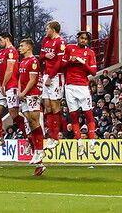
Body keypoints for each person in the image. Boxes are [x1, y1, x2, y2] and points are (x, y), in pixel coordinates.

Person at [63, 31, 98, 156]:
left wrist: (84, 63)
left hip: (83, 86)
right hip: (69, 86)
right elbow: (62, 64)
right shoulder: (69, 48)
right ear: (77, 38)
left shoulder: (90, 53)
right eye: (81, 38)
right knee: (73, 115)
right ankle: (79, 144)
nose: (83, 40)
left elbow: (93, 72)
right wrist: (70, 61)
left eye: (85, 39)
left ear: (88, 41)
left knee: (88, 114)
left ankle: (92, 142)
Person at [0, 32, 24, 151]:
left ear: (7, 39)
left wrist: (4, 84)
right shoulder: (0, 53)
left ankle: (28, 134)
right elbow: (0, 71)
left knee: (14, 114)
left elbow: (10, 70)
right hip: (2, 88)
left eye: (0, 40)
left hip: (12, 86)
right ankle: (0, 138)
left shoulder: (12, 51)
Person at [18, 38, 46, 176]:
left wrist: (23, 92)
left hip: (32, 95)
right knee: (29, 124)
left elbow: (32, 80)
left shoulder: (34, 61)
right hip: (24, 96)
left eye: (22, 46)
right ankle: (38, 161)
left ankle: (39, 151)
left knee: (34, 123)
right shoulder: (22, 61)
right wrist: (19, 91)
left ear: (29, 47)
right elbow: (20, 79)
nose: (19, 48)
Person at [40, 20, 67, 150]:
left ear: (53, 29)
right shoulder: (46, 40)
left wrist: (51, 77)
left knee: (55, 105)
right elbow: (40, 56)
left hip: (56, 76)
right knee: (48, 106)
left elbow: (60, 62)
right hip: (46, 75)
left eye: (47, 28)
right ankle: (50, 136)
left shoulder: (60, 42)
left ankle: (56, 136)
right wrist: (45, 55)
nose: (46, 30)